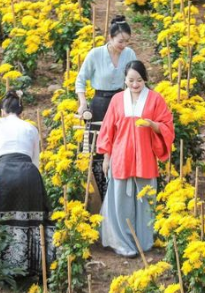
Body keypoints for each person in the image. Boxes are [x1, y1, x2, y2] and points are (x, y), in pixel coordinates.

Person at [0, 90, 56, 276]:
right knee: (31, 218)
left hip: (3, 174)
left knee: (1, 218)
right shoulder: (30, 128)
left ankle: (1, 268)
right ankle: (34, 268)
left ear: (2, 111)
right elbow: (35, 159)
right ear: (21, 112)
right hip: (29, 173)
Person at [96, 60, 175, 257]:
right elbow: (108, 129)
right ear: (124, 80)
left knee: (145, 200)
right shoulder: (116, 100)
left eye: (139, 80)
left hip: (145, 156)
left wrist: (152, 125)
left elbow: (167, 125)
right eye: (130, 80)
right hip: (121, 156)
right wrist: (107, 157)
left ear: (145, 79)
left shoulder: (156, 99)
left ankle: (144, 241)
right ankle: (122, 241)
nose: (135, 84)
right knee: (119, 201)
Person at [75, 15, 137, 200]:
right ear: (110, 37)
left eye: (127, 41)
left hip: (121, 101)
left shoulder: (130, 54)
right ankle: (97, 191)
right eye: (120, 41)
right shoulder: (96, 54)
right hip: (100, 103)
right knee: (96, 148)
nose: (123, 44)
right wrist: (83, 103)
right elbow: (80, 80)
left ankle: (119, 190)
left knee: (121, 145)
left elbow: (135, 79)